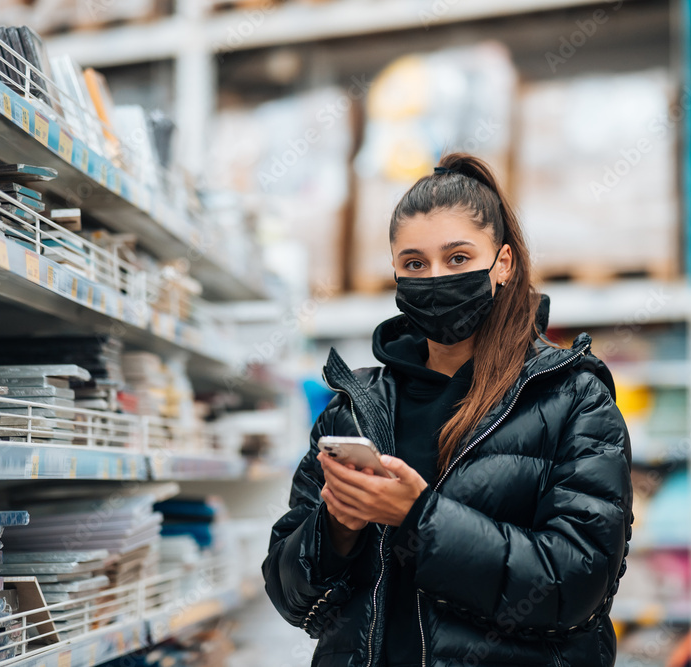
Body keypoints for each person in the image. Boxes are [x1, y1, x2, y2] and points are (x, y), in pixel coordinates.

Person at [262, 153, 633, 666]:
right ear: (395, 272)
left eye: (457, 258)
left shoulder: (571, 399)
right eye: (415, 264)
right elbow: (290, 598)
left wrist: (419, 518)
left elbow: (576, 585)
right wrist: (337, 526)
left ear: (502, 264)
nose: (435, 278)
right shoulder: (352, 410)